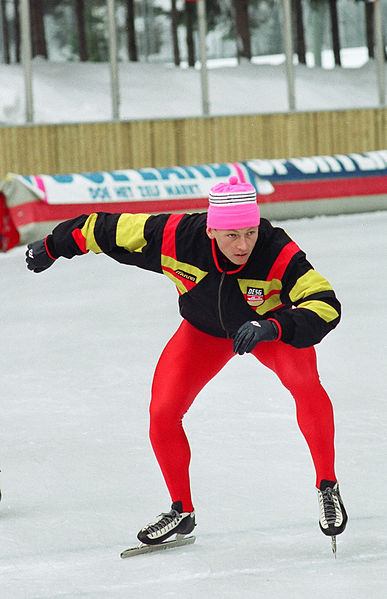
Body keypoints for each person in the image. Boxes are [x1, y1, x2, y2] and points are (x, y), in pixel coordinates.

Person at [26, 176, 347, 546]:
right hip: (204, 332)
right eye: (231, 236)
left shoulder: (277, 250)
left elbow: (325, 304)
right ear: (211, 230)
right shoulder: (175, 235)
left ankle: (327, 485)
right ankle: (181, 510)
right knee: (162, 411)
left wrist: (273, 326)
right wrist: (52, 246)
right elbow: (101, 228)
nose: (243, 245)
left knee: (305, 384)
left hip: (266, 330)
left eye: (250, 232)